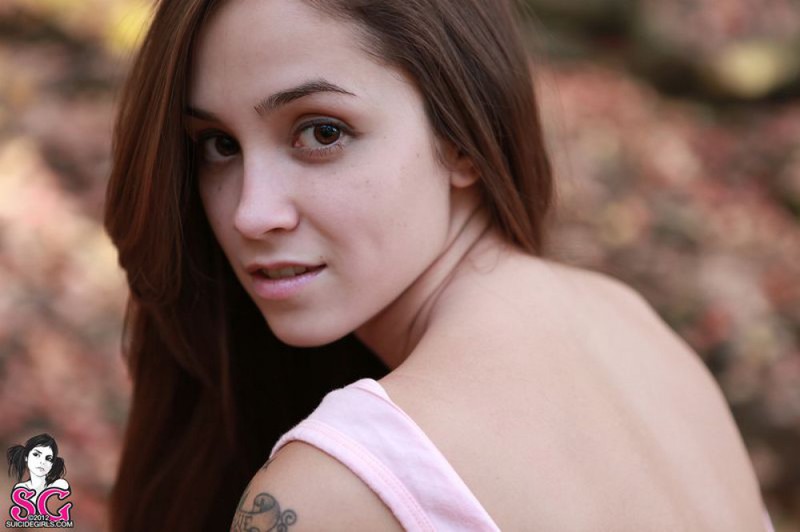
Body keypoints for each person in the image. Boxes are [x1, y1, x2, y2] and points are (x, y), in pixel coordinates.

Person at [104, 0, 773, 530]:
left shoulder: (339, 490)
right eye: (218, 145)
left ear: (463, 139)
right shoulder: (633, 330)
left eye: (322, 132)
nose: (251, 213)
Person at [7, 433, 70, 505]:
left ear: (52, 464)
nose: (42, 462)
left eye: (48, 458)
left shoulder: (59, 485)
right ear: (26, 457)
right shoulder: (21, 488)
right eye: (36, 455)